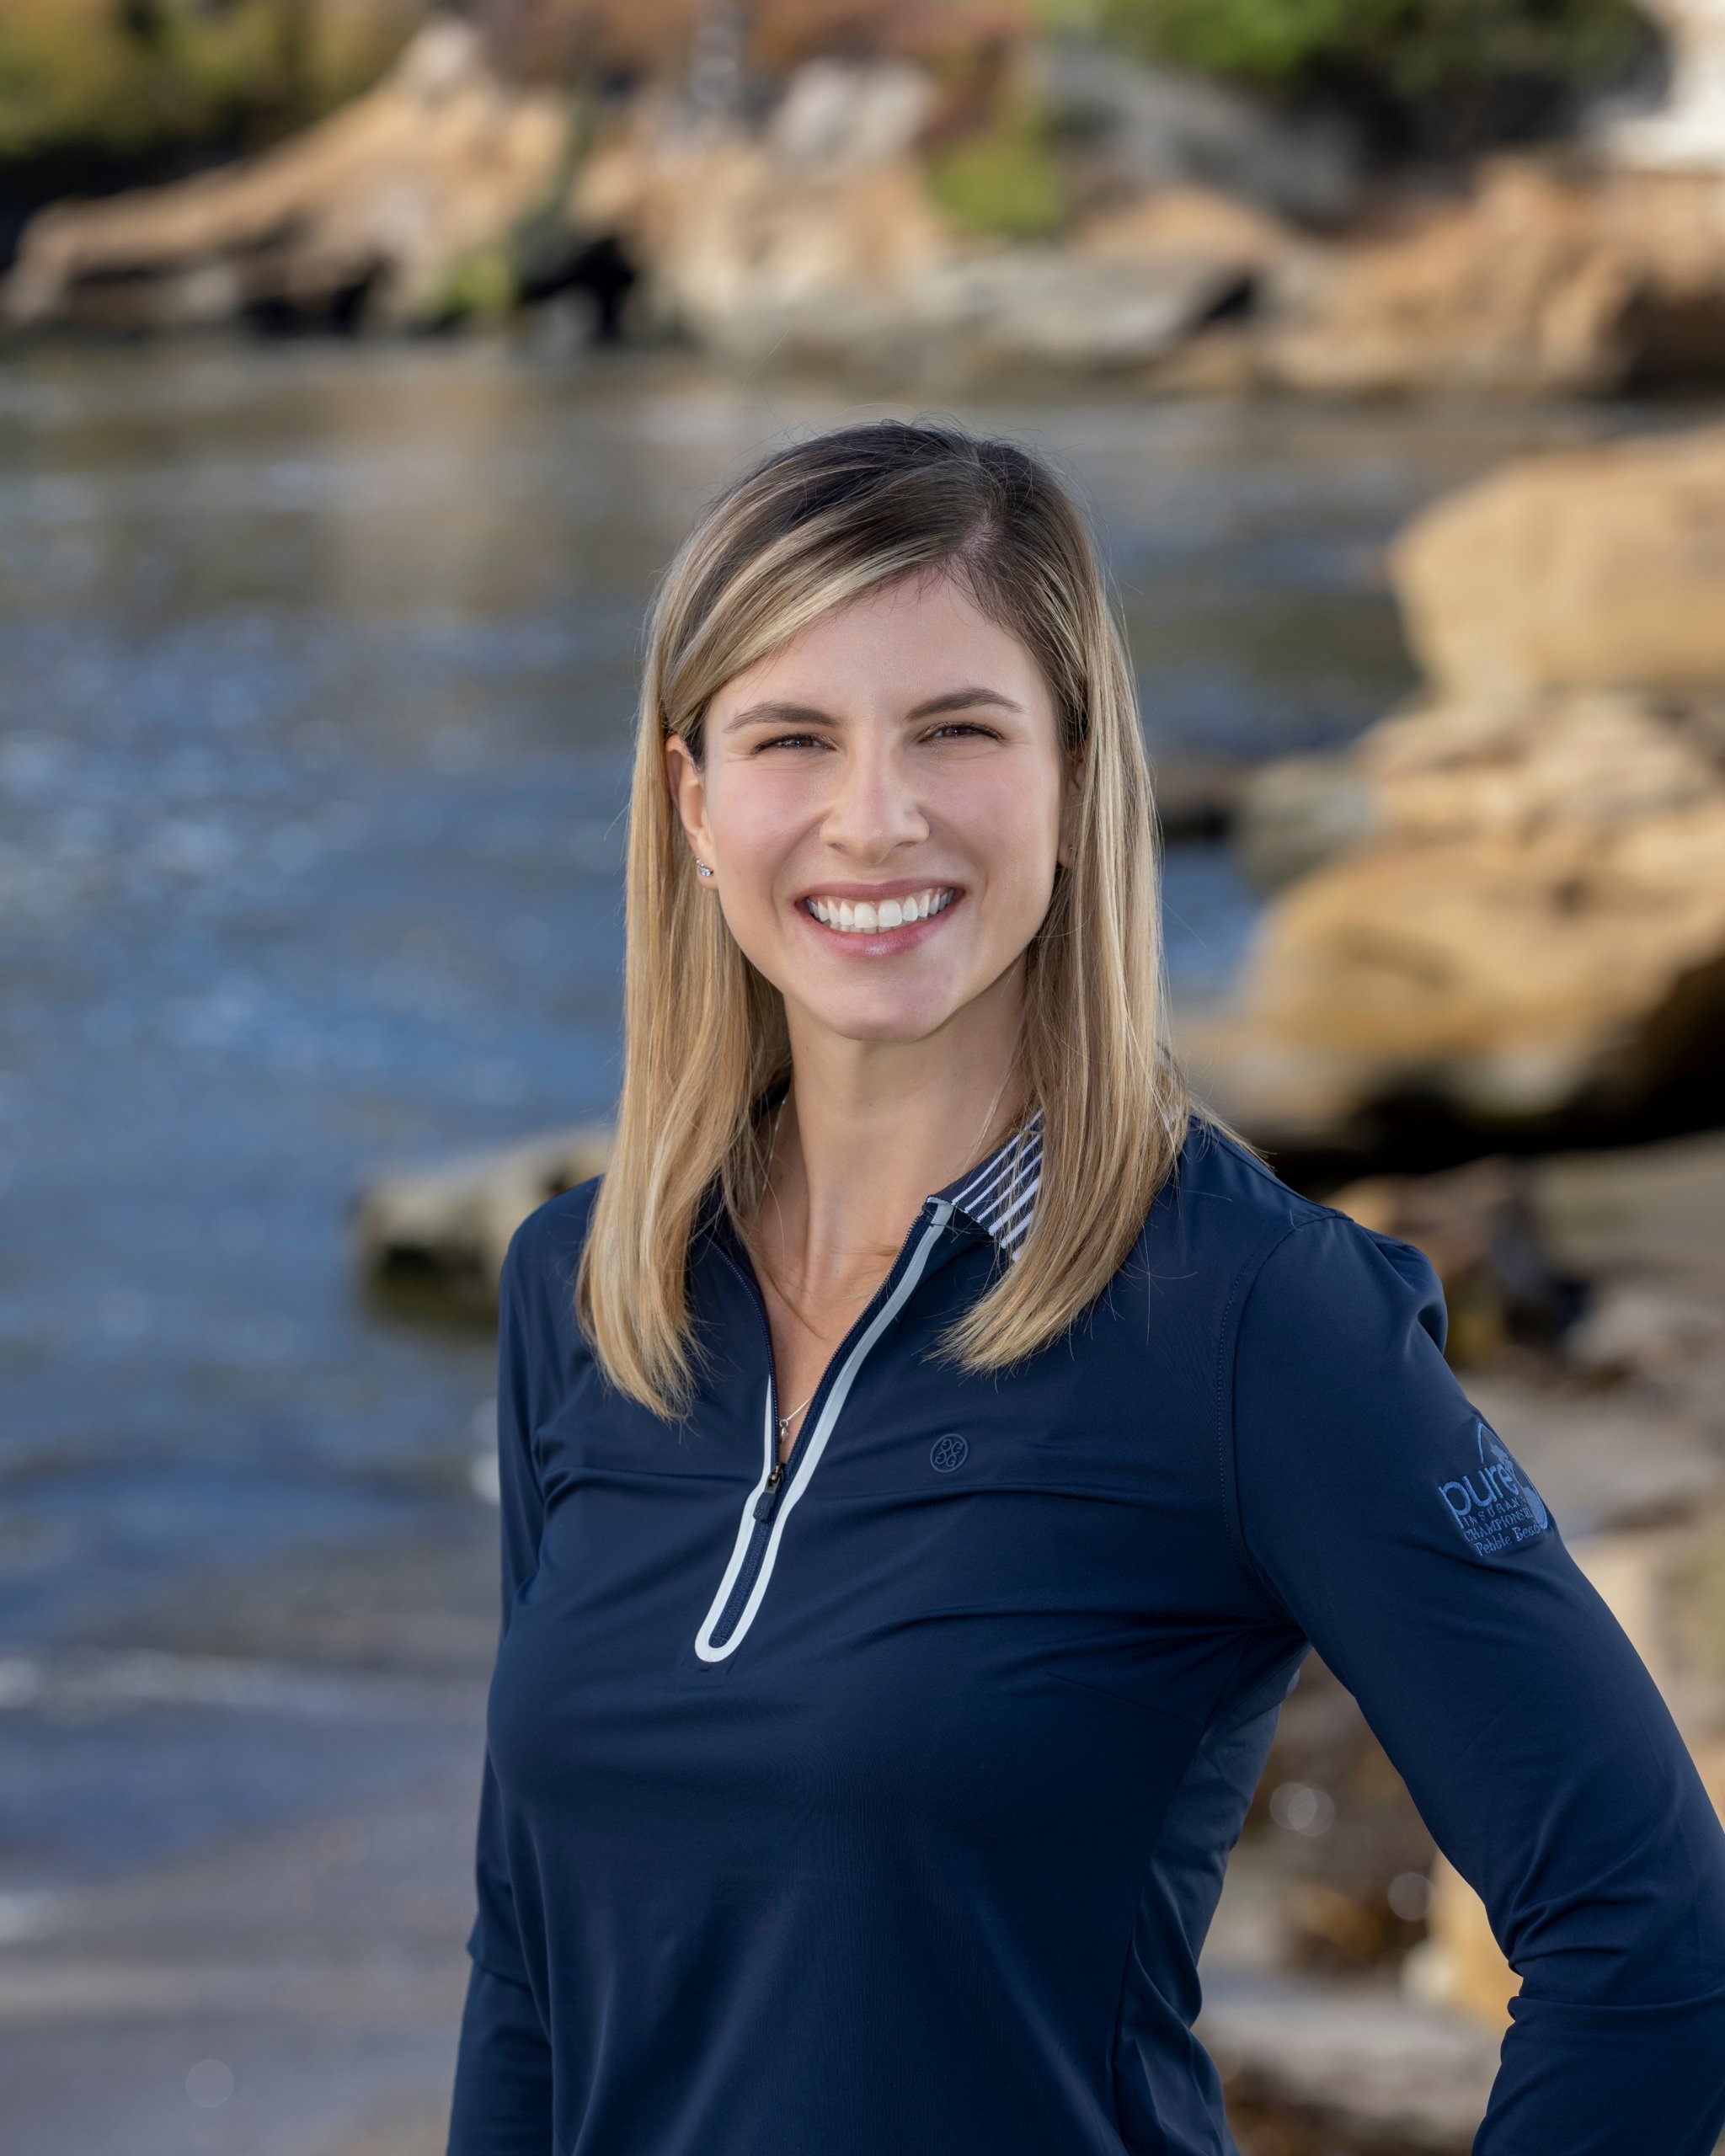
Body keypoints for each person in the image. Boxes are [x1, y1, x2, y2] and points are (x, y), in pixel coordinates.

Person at [446, 419, 1725, 2156]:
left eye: (955, 729)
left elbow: (1649, 1926)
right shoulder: (587, 1290)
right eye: (790, 736)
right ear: (690, 799)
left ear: (1076, 773)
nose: (869, 815)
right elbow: (530, 1962)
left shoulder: (1255, 1316)